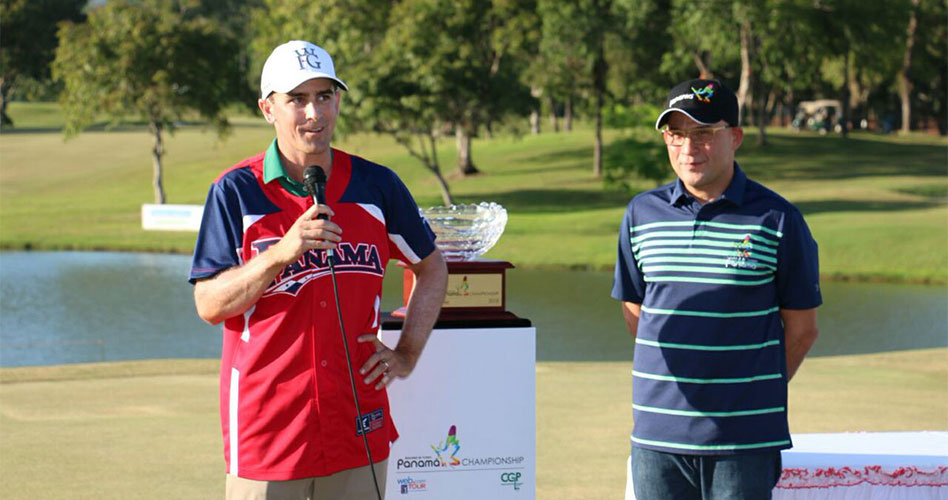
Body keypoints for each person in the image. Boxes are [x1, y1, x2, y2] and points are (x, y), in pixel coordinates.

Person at [189, 40, 448, 500]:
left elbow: (432, 268)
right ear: (268, 109)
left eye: (324, 96)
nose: (314, 113)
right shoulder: (235, 192)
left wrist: (405, 352)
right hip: (268, 436)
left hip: (356, 428)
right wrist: (278, 254)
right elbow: (208, 304)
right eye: (297, 99)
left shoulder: (377, 185)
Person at [612, 79, 821, 500]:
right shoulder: (640, 214)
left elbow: (802, 329)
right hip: (656, 438)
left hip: (743, 442)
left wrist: (749, 392)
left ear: (735, 137)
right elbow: (637, 312)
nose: (689, 148)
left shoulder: (778, 218)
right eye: (677, 134)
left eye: (704, 133)